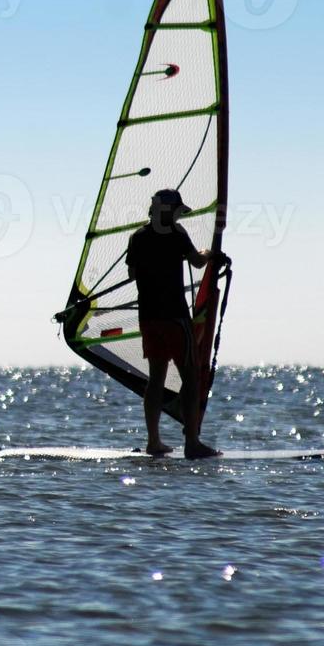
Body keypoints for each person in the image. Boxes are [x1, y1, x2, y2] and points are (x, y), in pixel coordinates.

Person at [125, 189, 226, 459]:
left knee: (156, 378)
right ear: (166, 211)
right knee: (190, 377)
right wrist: (208, 253)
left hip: (149, 317)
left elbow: (133, 273)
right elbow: (196, 262)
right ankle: (192, 443)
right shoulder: (177, 234)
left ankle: (153, 441)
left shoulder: (137, 237)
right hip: (174, 317)